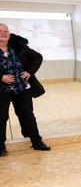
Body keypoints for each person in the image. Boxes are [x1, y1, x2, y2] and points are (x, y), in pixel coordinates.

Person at [0, 24, 50, 155]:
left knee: (27, 115)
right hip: (2, 90)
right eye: (0, 31)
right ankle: (1, 146)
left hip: (22, 88)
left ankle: (36, 142)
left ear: (9, 34)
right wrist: (1, 77)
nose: (3, 33)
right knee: (1, 117)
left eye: (6, 31)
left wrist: (29, 71)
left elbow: (37, 57)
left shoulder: (18, 46)